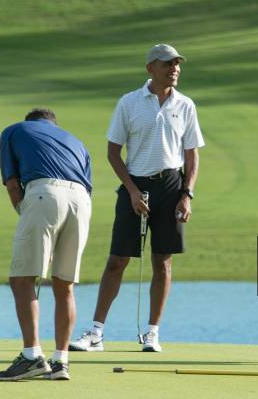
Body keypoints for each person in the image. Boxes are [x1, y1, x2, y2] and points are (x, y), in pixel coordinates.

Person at [70, 43, 204, 353]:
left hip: (171, 185)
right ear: (150, 68)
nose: (175, 69)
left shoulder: (186, 105)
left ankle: (153, 333)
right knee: (117, 259)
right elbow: (113, 152)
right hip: (135, 183)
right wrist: (131, 190)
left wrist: (187, 194)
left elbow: (191, 154)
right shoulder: (129, 103)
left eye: (177, 64)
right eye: (168, 64)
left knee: (162, 261)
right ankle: (96, 333)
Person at [0, 108, 92, 380]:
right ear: (53, 125)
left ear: (31, 122)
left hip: (44, 195)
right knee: (64, 284)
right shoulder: (76, 141)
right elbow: (86, 187)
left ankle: (31, 358)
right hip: (82, 203)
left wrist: (29, 219)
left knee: (22, 279)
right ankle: (61, 362)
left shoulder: (14, 130)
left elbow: (13, 185)